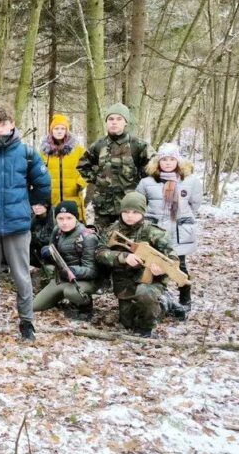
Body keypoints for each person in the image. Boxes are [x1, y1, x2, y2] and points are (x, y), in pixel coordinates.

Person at [0, 102, 52, 341]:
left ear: (12, 124)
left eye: (3, 125)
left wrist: (33, 205)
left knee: (21, 275)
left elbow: (43, 184)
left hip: (17, 225)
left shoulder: (27, 154)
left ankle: (26, 321)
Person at [96, 192, 178, 338]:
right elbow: (99, 253)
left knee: (144, 298)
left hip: (151, 281)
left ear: (143, 212)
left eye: (135, 212)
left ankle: (163, 306)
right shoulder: (112, 231)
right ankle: (150, 307)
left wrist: (161, 270)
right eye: (126, 212)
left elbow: (172, 257)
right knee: (127, 322)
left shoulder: (155, 232)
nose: (130, 216)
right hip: (124, 282)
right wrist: (122, 257)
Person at [135, 143, 202, 316]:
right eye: (164, 159)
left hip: (180, 231)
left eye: (172, 159)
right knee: (154, 263)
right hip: (155, 231)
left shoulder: (191, 181)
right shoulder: (146, 182)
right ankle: (157, 299)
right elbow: (139, 205)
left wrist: (182, 218)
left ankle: (185, 298)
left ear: (178, 161)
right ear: (157, 162)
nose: (167, 163)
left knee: (180, 265)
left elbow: (195, 205)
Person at [77, 103, 154, 230]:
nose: (114, 122)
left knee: (130, 244)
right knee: (103, 244)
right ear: (106, 122)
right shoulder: (98, 146)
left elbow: (154, 168)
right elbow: (82, 165)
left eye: (119, 119)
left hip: (130, 209)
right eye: (111, 119)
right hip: (103, 209)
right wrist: (97, 179)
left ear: (125, 123)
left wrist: (140, 182)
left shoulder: (138, 145)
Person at [32, 201, 100, 319]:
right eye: (60, 218)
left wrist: (73, 270)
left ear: (76, 218)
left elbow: (92, 271)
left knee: (71, 293)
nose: (64, 222)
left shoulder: (88, 237)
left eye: (69, 218)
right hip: (62, 278)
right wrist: (46, 251)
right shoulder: (57, 231)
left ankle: (85, 306)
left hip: (84, 281)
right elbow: (52, 251)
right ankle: (62, 299)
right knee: (34, 306)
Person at [40, 114, 87, 221]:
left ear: (67, 130)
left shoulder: (78, 150)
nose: (59, 131)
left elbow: (89, 169)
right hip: (52, 201)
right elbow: (38, 174)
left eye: (62, 128)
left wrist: (80, 182)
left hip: (73, 199)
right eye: (56, 128)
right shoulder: (44, 153)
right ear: (51, 130)